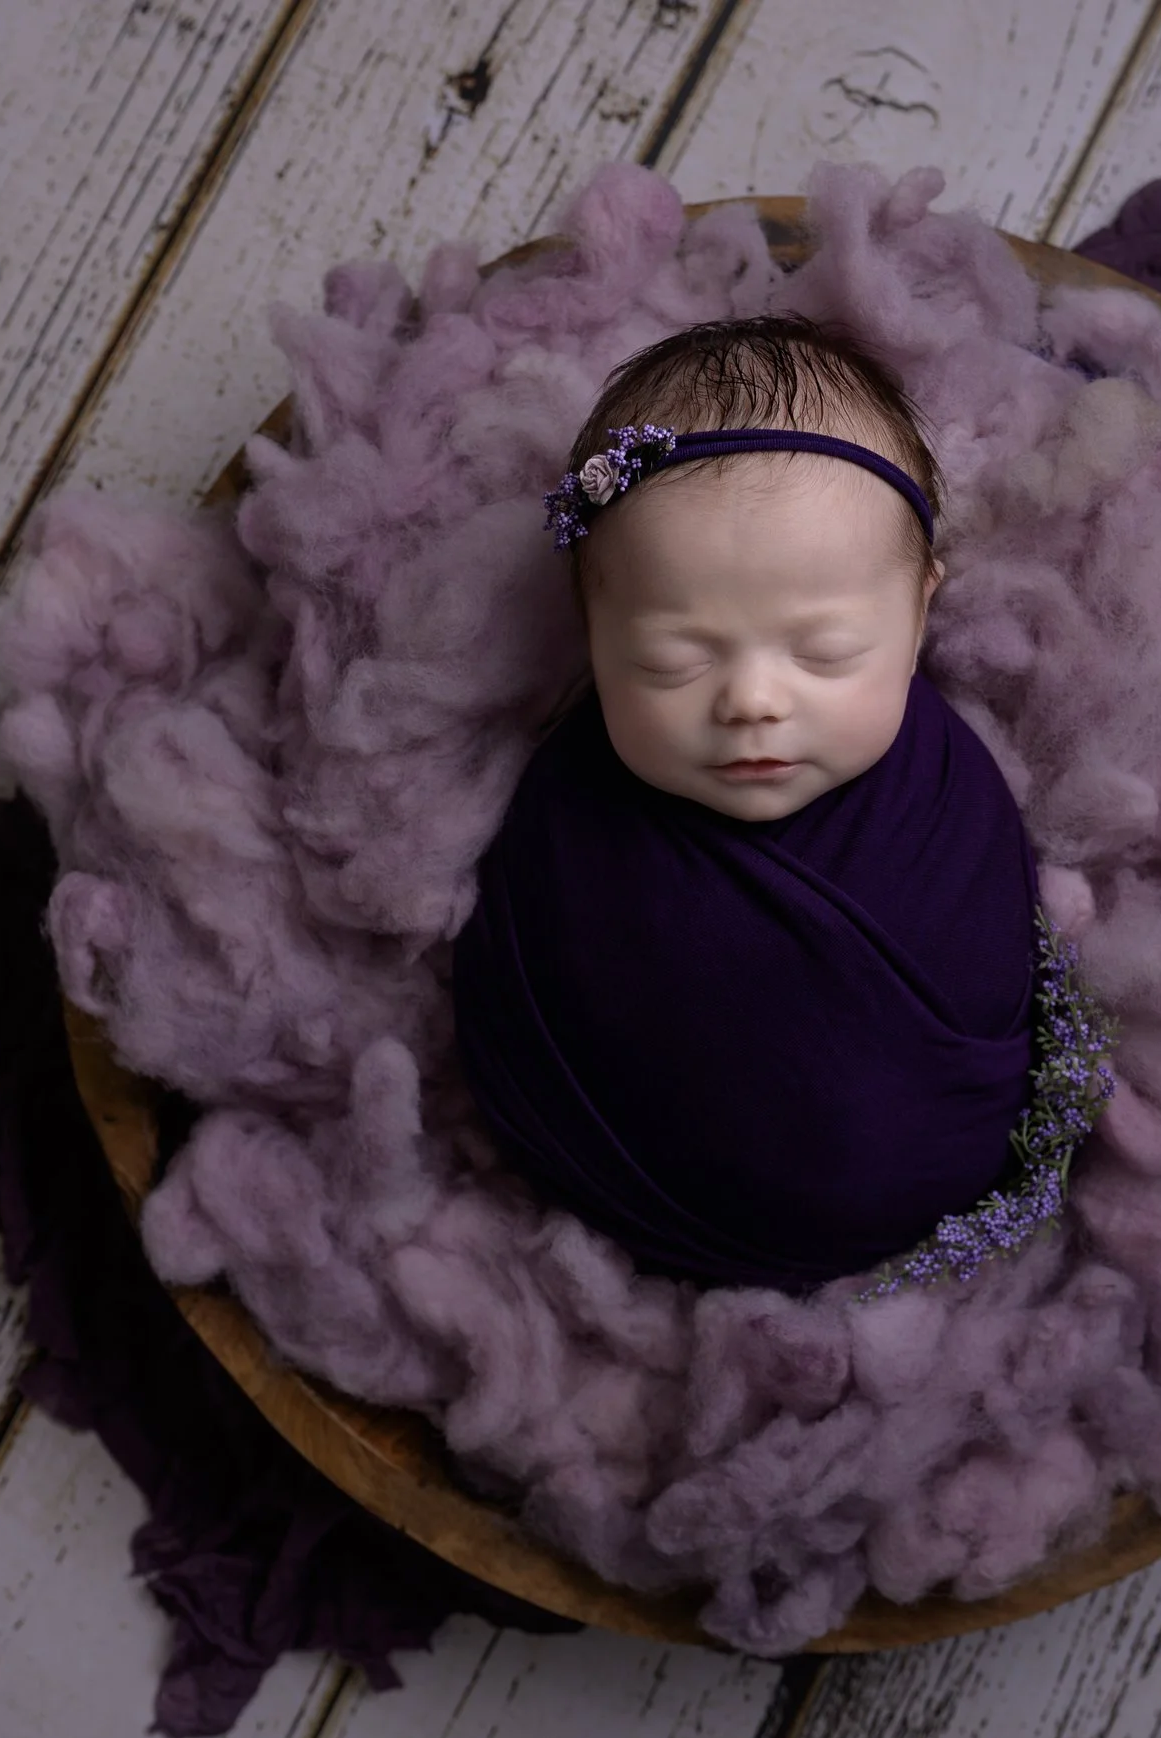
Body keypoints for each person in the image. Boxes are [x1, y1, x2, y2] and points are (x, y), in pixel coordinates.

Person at [451, 314, 1054, 1292]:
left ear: (919, 614)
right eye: (671, 660)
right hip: (640, 1215)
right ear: (588, 627)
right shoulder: (565, 826)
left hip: (925, 1218)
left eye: (824, 653)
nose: (752, 702)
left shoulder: (944, 804)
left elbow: (1003, 982)